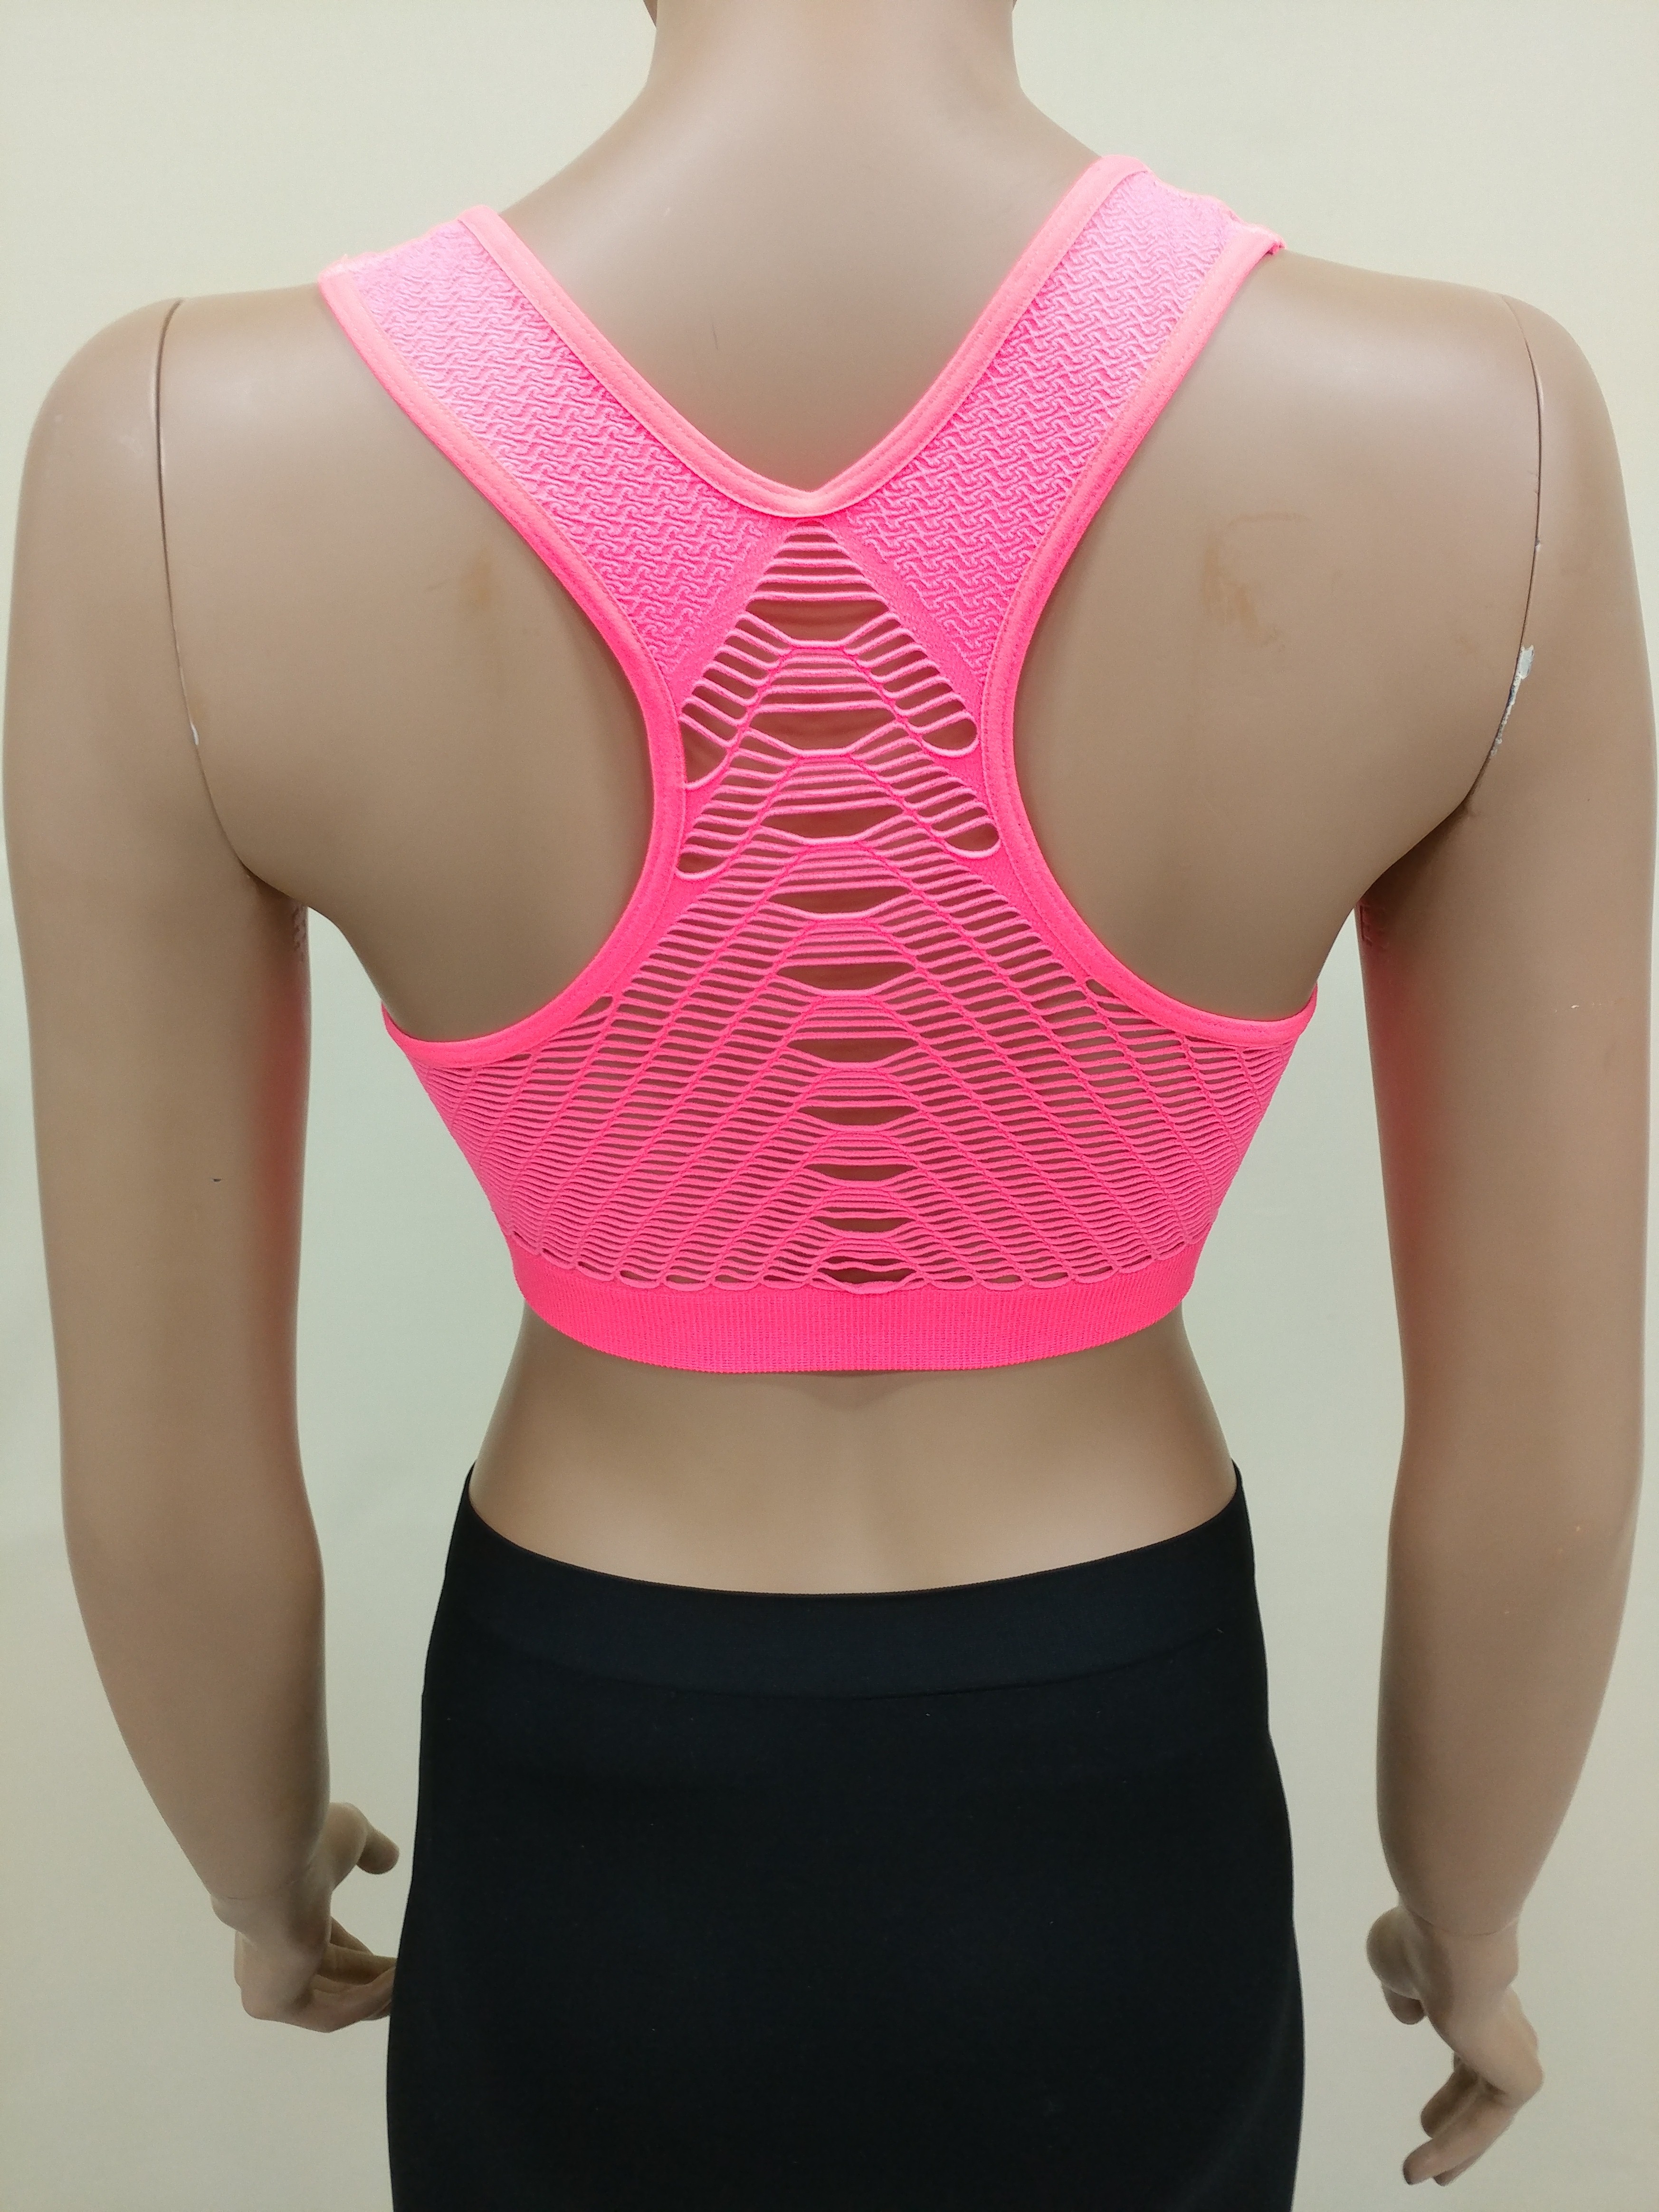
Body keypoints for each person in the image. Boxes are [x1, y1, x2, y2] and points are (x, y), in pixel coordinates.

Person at [5, 1, 1649, 2205]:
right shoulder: (1481, 432)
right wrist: (1471, 1905)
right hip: (1117, 1764)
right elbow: (1546, 1455)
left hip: (583, 1766)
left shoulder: (169, 458)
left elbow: (158, 1466)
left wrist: (255, 1858)